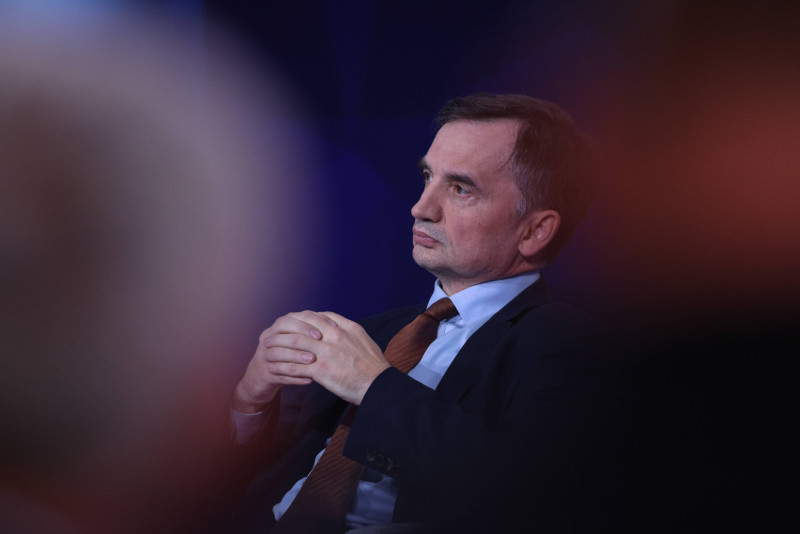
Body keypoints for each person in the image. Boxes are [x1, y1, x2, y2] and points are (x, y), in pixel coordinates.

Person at [224, 94, 629, 533]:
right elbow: (251, 476)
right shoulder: (376, 333)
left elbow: (523, 488)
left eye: (460, 189)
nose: (420, 208)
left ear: (534, 231)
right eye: (427, 177)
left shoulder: (571, 346)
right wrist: (249, 404)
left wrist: (372, 385)